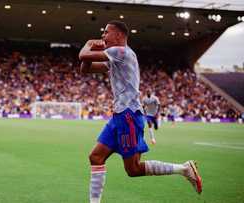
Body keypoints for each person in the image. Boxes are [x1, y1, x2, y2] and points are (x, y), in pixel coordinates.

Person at [78, 20, 202, 203]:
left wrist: (89, 43)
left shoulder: (121, 51)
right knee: (96, 157)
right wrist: (91, 52)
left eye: (106, 32)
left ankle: (184, 169)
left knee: (133, 169)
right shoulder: (116, 58)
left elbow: (83, 56)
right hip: (120, 115)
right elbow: (85, 70)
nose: (103, 36)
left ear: (119, 35)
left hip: (128, 115)